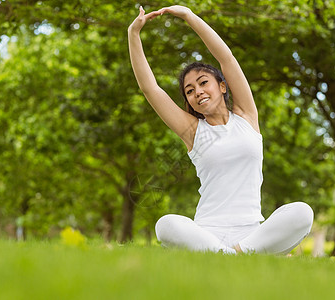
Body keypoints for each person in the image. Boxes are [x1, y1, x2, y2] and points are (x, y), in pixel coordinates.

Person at [128, 5, 313, 254]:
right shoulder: (192, 131)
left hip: (252, 233)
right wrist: (134, 34)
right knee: (165, 225)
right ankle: (233, 255)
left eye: (203, 83)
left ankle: (236, 253)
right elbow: (151, 89)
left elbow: (226, 58)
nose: (198, 92)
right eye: (190, 91)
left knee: (303, 212)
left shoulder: (247, 116)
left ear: (223, 86)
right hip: (207, 234)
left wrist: (189, 16)